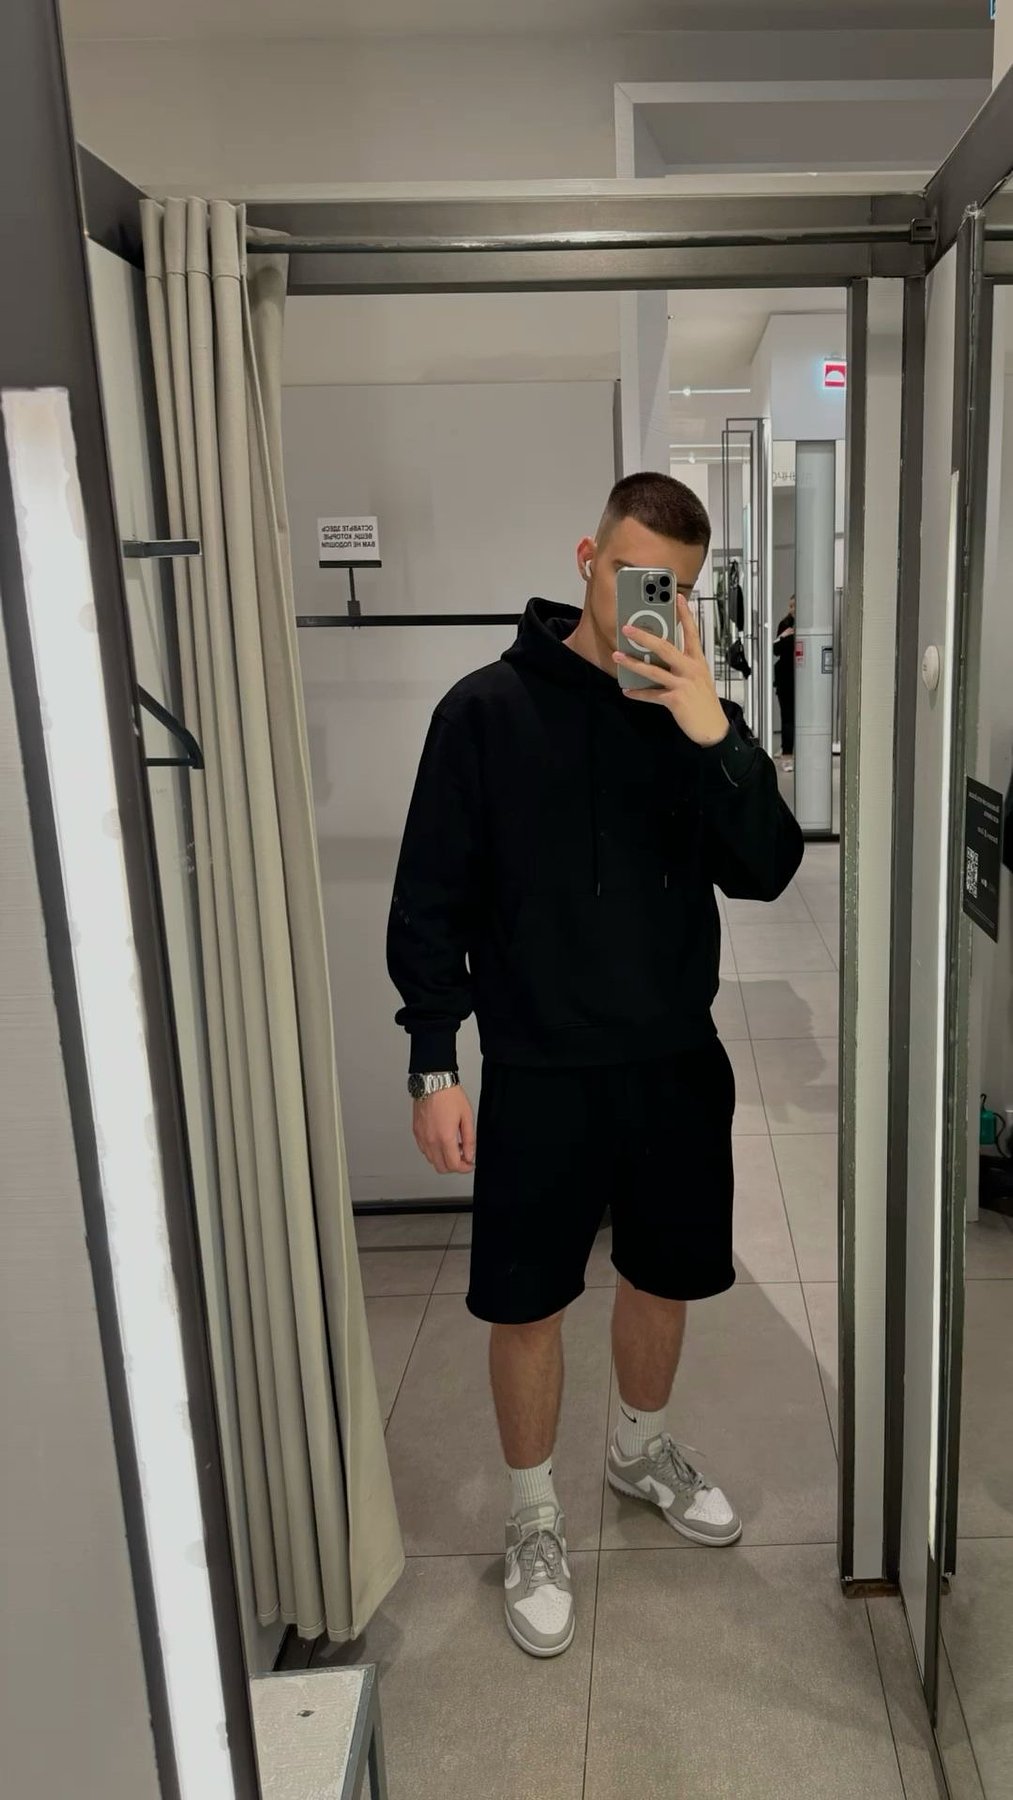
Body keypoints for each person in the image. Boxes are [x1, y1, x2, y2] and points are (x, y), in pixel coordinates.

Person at [387, 472, 804, 1659]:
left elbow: (770, 869)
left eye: (672, 584)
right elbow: (430, 896)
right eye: (629, 573)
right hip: (538, 1065)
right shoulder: (484, 711)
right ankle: (530, 1514)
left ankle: (636, 1448)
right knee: (524, 1301)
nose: (646, 599)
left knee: (664, 1276)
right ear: (586, 556)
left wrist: (714, 733)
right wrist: (433, 1061)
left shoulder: (693, 719)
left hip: (673, 1057)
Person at [774, 596, 796, 770]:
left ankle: (791, 750)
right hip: (785, 678)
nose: (791, 609)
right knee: (787, 717)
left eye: (794, 606)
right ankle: (787, 754)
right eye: (790, 606)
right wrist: (783, 636)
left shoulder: (809, 626)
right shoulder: (785, 624)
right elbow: (776, 649)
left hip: (803, 679)